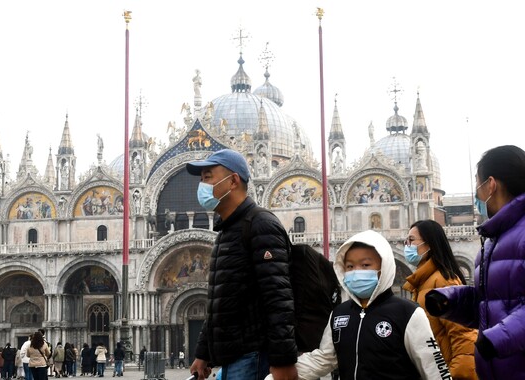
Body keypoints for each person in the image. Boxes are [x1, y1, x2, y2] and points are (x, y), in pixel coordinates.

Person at [185, 149, 297, 380]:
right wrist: (203, 353)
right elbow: (221, 302)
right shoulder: (228, 230)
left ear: (233, 181)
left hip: (253, 356)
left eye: (208, 177)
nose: (202, 185)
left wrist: (283, 362)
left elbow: (278, 299)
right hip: (234, 358)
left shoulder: (260, 225)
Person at [283, 230, 450, 379]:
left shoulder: (408, 313)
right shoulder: (339, 314)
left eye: (365, 265)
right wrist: (280, 374)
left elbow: (433, 368)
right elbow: (324, 358)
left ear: (383, 267)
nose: (356, 271)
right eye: (349, 266)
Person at [426, 145, 525, 379]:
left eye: (477, 185)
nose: (477, 194)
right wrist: (451, 301)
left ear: (491, 185)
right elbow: (495, 303)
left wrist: (494, 339)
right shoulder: (492, 240)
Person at [402, 220, 478, 379]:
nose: (406, 246)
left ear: (429, 244)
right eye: (406, 241)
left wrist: (456, 376)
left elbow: (464, 338)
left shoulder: (444, 281)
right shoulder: (422, 283)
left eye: (411, 240)